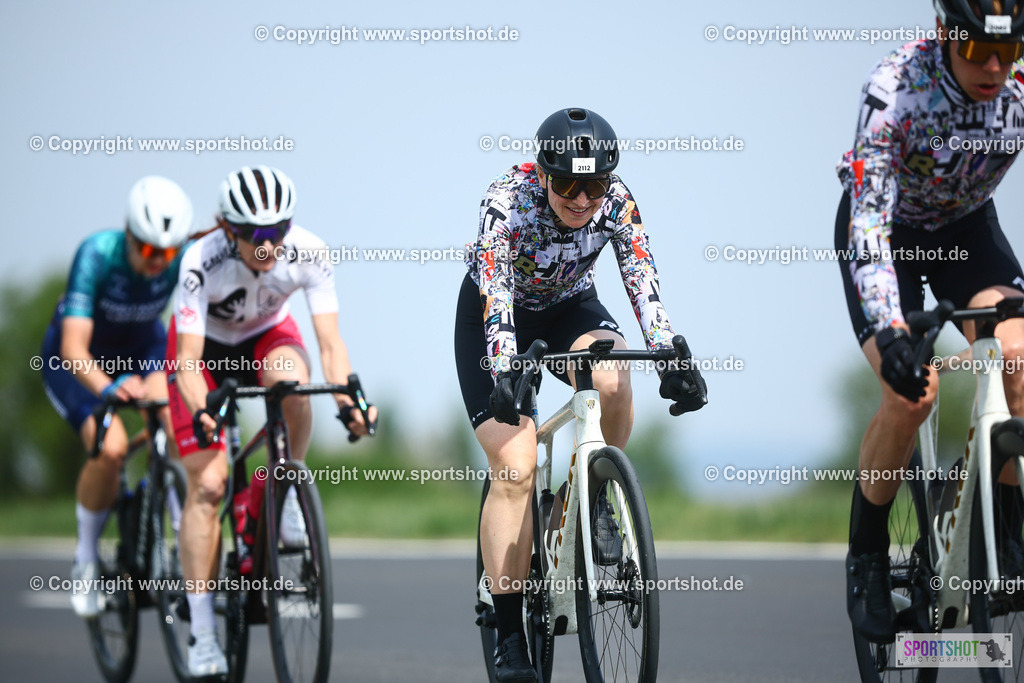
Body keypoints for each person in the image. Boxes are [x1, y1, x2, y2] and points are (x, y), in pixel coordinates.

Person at [456, 108, 706, 681]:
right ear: (542, 174)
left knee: (614, 376)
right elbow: (496, 292)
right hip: (496, 318)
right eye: (567, 183)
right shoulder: (506, 200)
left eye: (592, 186)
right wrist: (503, 370)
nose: (580, 198)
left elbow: (641, 276)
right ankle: (508, 629)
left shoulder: (617, 201)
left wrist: (669, 351)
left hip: (570, 305)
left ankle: (595, 497)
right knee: (516, 465)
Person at [837, 0, 1024, 644]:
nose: (996, 67)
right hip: (887, 230)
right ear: (946, 35)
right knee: (912, 393)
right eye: (977, 51)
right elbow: (867, 220)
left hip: (967, 229)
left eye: (1011, 51)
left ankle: (999, 529)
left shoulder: (1018, 87)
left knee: (1020, 357)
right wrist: (890, 332)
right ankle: (865, 556)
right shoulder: (896, 91)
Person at [167, 165, 376, 676]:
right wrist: (201, 410)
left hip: (265, 334)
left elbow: (330, 344)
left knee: (294, 391)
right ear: (227, 230)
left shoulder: (309, 250)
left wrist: (348, 399)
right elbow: (188, 364)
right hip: (204, 351)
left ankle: (284, 494)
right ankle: (201, 633)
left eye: (279, 231)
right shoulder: (200, 260)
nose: (270, 246)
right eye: (257, 236)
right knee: (211, 483)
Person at [41, 176, 193, 617]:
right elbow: (72, 348)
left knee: (174, 425)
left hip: (143, 347)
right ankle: (86, 558)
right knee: (111, 449)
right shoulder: (97, 255)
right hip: (79, 358)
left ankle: (180, 537)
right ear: (129, 234)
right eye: (148, 250)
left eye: (167, 254)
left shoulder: (180, 258)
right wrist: (108, 387)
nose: (157, 261)